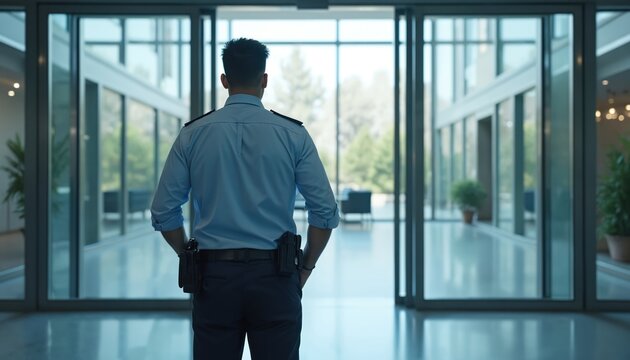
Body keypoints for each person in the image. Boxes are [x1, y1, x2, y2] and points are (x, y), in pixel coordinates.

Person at [150, 38, 339, 360]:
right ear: (264, 79)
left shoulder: (192, 135)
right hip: (276, 276)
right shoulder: (293, 134)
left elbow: (163, 210)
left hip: (214, 278)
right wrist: (305, 267)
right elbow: (324, 212)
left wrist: (189, 258)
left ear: (224, 81)